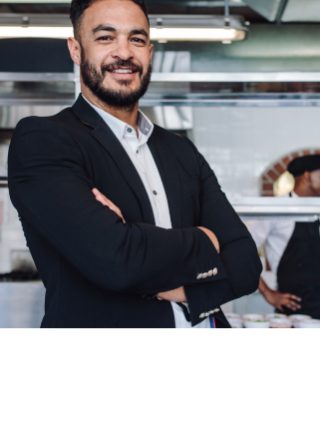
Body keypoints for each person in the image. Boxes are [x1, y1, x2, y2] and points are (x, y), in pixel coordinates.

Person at [8, 0, 261, 328]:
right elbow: (117, 260)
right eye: (105, 38)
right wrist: (206, 239)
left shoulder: (180, 151)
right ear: (75, 49)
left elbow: (246, 264)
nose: (124, 52)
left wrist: (180, 288)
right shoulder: (45, 140)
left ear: (150, 52)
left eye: (137, 39)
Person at [247, 154, 320, 318]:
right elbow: (241, 251)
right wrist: (268, 293)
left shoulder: (317, 207)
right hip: (294, 309)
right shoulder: (277, 207)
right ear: (307, 176)